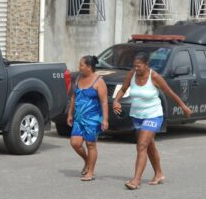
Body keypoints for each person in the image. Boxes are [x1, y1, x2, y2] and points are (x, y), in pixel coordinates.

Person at [113, 51, 191, 190]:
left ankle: (136, 180)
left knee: (141, 145)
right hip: (137, 115)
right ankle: (159, 174)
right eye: (134, 66)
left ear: (146, 65)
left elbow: (170, 93)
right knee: (149, 145)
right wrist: (116, 101)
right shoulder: (132, 74)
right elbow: (123, 89)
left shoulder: (154, 77)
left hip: (153, 114)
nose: (136, 69)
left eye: (139, 66)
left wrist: (183, 107)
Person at [67, 55, 109, 181]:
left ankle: (90, 172)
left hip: (93, 119)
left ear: (89, 67)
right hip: (79, 118)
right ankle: (87, 160)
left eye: (81, 65)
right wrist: (70, 114)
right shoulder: (78, 78)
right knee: (75, 143)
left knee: (91, 144)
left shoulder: (99, 82)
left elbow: (104, 102)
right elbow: (74, 98)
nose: (79, 67)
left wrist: (105, 119)